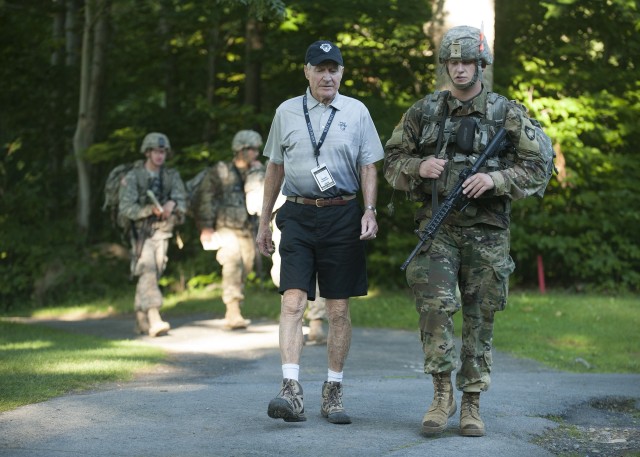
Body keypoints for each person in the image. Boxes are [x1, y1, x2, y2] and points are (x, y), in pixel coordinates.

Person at [383, 25, 549, 437]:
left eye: (467, 62)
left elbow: (540, 166)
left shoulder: (504, 112)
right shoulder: (424, 112)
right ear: (446, 65)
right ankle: (442, 395)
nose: (459, 69)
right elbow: (389, 162)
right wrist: (417, 168)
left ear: (481, 64)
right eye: (453, 62)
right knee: (435, 311)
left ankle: (472, 402)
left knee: (481, 315)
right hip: (436, 231)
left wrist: (497, 180)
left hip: (487, 234)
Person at [256, 40, 384, 425]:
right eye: (320, 68)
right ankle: (291, 391)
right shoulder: (286, 112)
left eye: (334, 69)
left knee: (338, 308)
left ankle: (333, 390)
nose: (327, 76)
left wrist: (370, 211)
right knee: (292, 301)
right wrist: (263, 220)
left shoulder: (357, 112)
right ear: (307, 71)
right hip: (296, 213)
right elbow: (274, 168)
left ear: (341, 73)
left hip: (342, 215)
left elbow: (369, 166)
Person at [118, 132, 187, 337]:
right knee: (147, 270)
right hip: (142, 233)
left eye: (163, 152)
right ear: (147, 152)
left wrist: (172, 204)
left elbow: (183, 199)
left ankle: (141, 319)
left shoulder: (170, 176)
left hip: (164, 232)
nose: (160, 156)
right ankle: (154, 316)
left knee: (155, 271)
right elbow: (126, 208)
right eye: (156, 151)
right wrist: (149, 210)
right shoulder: (133, 177)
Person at [196, 130, 265, 330]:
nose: (255, 153)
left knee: (245, 267)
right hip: (225, 228)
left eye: (256, 149)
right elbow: (206, 198)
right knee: (232, 261)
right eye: (250, 149)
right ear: (239, 149)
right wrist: (206, 227)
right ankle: (232, 311)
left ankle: (235, 306)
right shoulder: (221, 171)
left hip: (247, 230)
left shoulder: (256, 172)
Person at [270, 193, 327, 346]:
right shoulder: (269, 171)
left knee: (312, 269)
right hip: (286, 215)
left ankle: (314, 324)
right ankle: (299, 326)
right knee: (290, 273)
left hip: (310, 211)